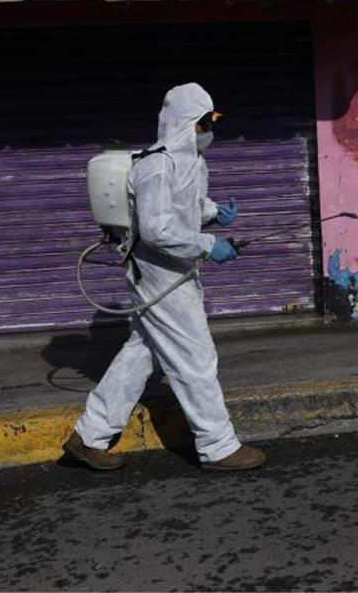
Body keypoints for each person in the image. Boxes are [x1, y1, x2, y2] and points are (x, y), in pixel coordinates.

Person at [63, 82, 267, 471]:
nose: (211, 129)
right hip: (160, 275)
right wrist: (210, 245)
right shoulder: (156, 165)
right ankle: (217, 445)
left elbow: (181, 207)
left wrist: (212, 211)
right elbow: (156, 230)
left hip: (173, 272)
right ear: (186, 123)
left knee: (141, 353)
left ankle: (88, 436)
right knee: (196, 356)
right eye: (206, 122)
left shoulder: (188, 161)